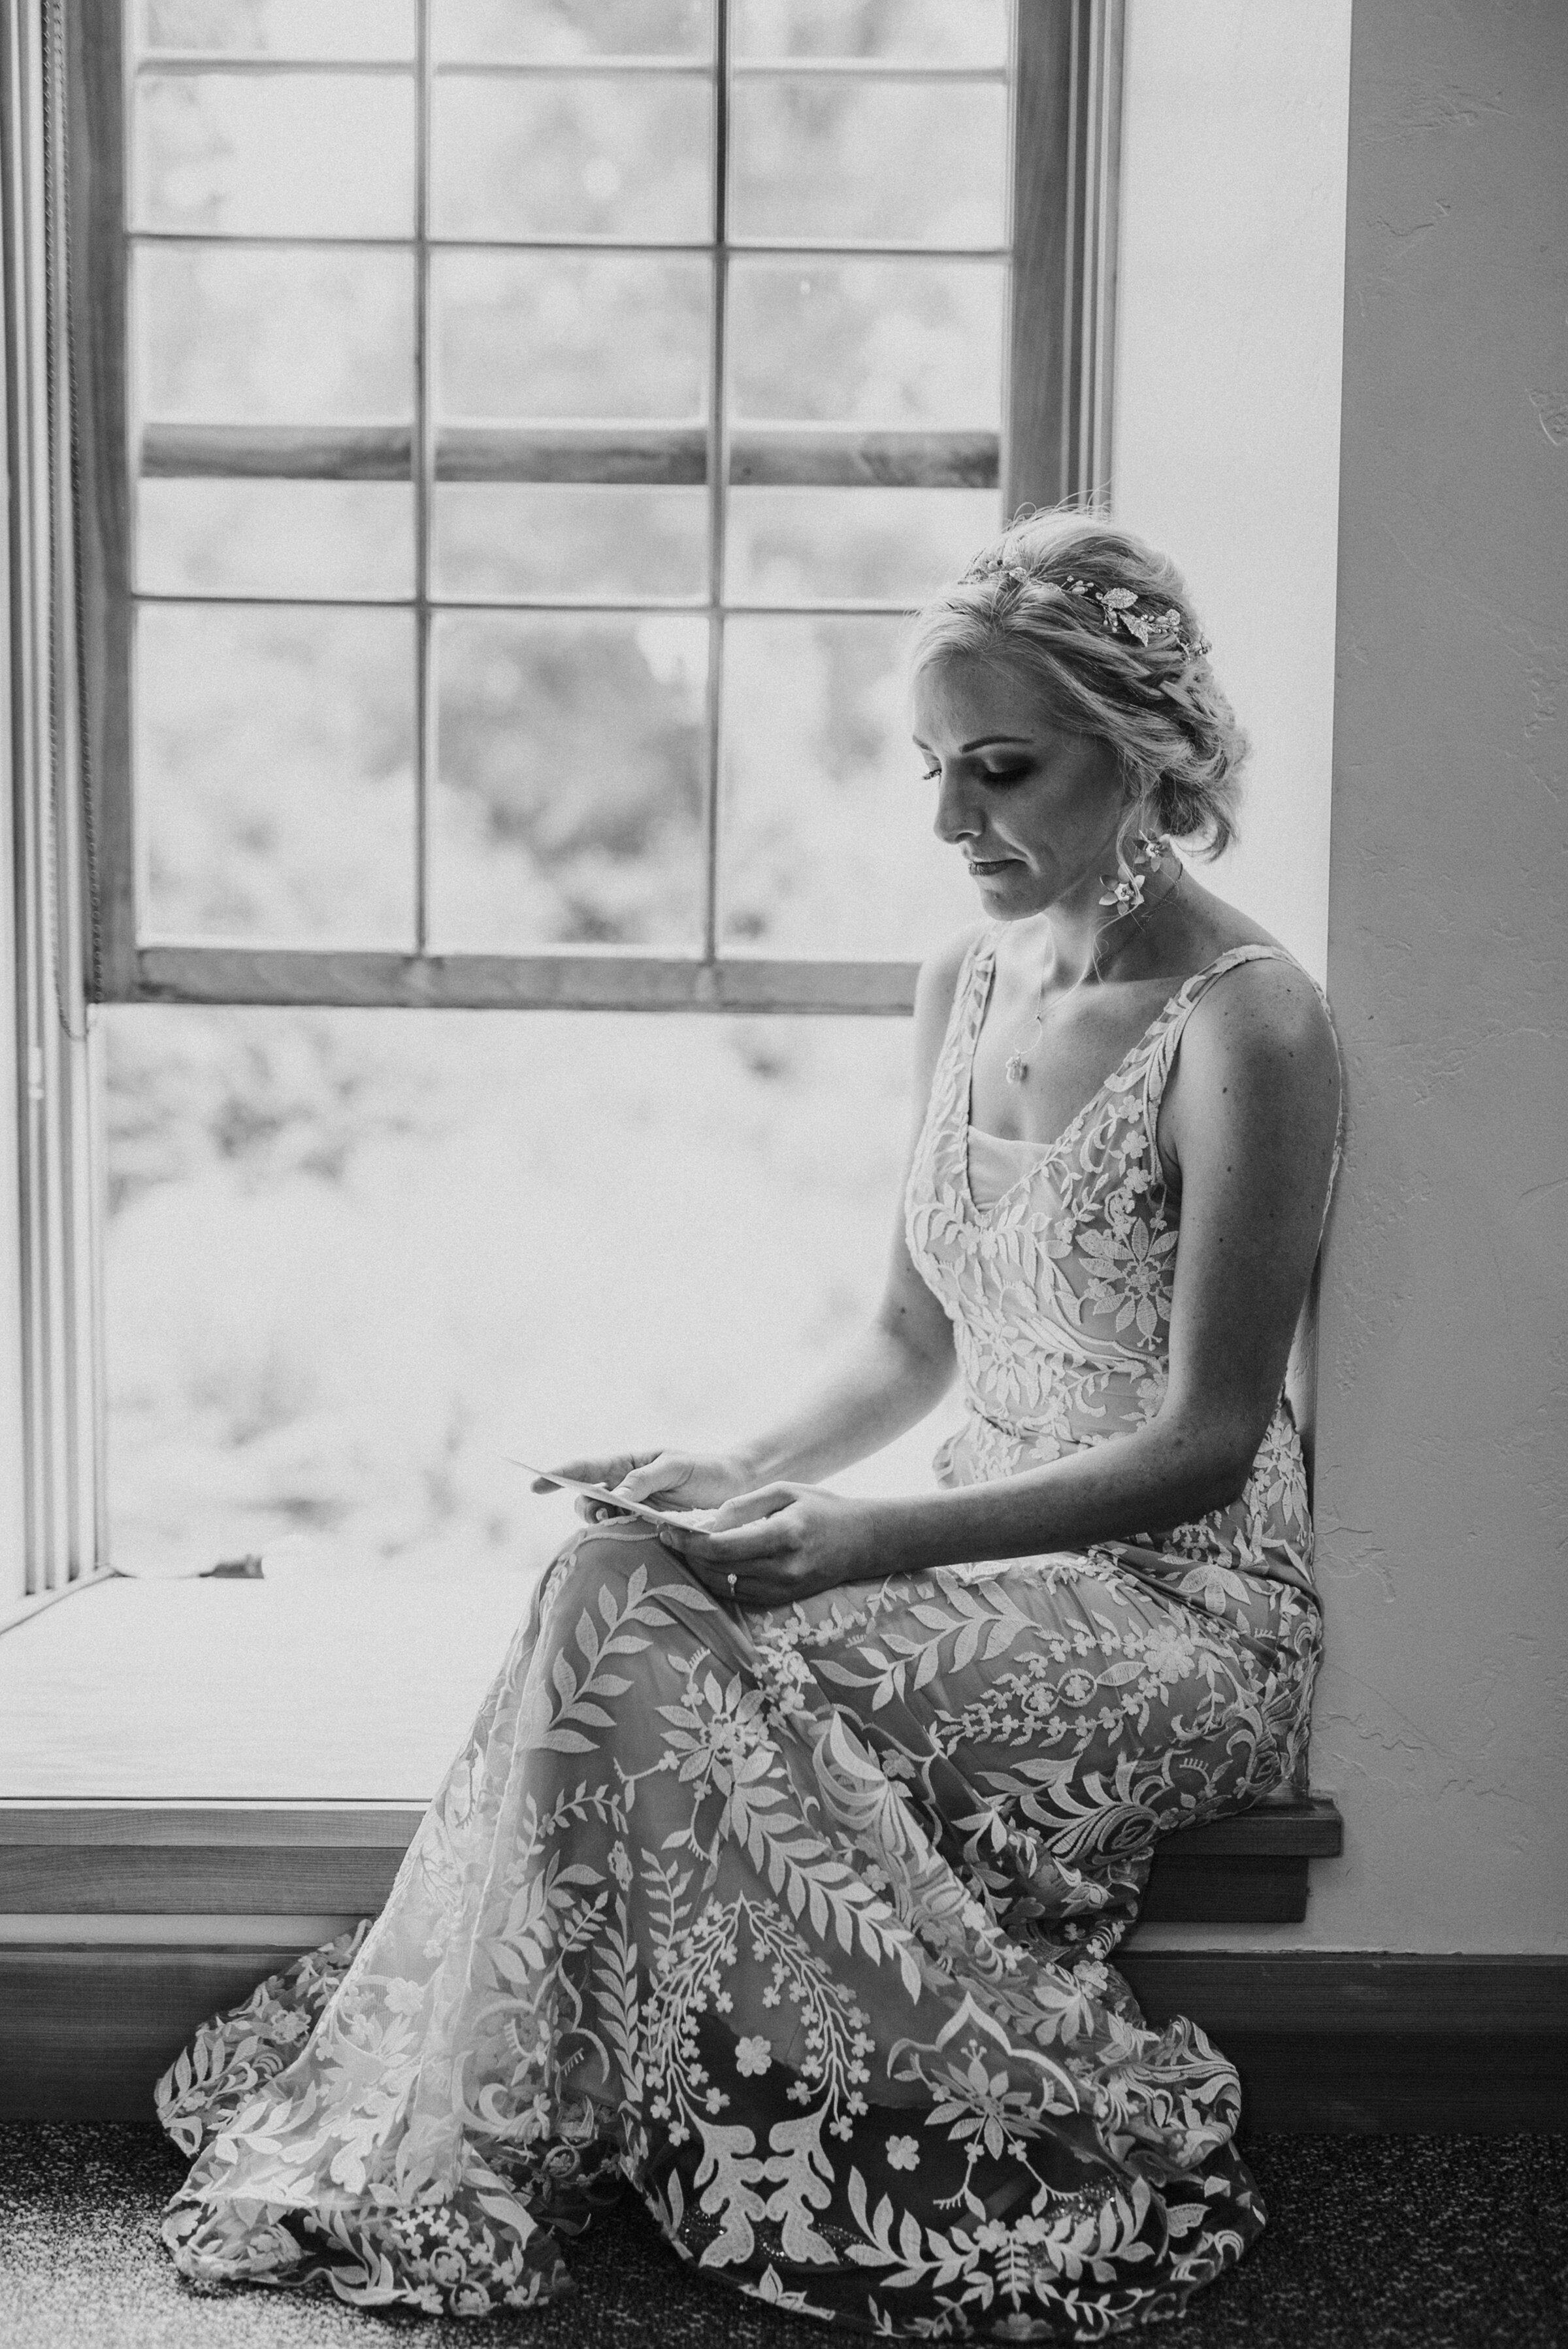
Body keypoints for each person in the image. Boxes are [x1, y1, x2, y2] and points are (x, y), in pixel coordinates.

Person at [155, 514, 1342, 2337]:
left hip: (1178, 1611)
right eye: (930, 767)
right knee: (612, 1572)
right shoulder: (965, 980)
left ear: (1145, 751)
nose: (950, 821)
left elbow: (1205, 1442)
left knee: (640, 1636)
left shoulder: (1250, 1024)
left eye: (1001, 770)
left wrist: (863, 1538)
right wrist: (737, 1470)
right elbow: (911, 1336)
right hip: (990, 1560)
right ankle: (537, 2101)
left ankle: (614, 2108)